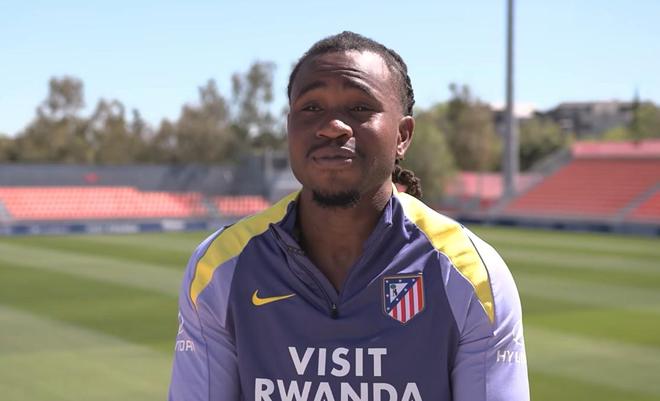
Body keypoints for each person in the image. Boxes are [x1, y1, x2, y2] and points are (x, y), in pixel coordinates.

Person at [169, 31, 529, 401]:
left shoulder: (469, 274)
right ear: (290, 128)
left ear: (403, 136)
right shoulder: (221, 267)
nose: (332, 126)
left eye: (359, 108)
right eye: (312, 108)